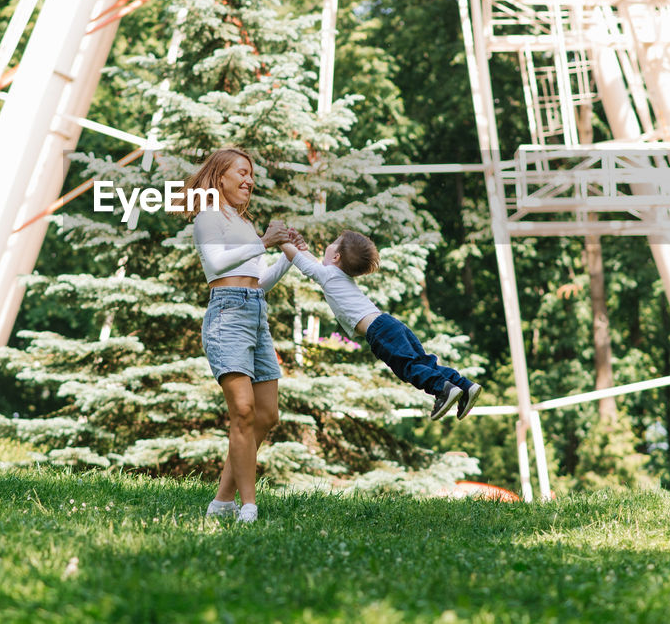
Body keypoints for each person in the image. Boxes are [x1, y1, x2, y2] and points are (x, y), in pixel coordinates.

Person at [184, 148, 293, 523]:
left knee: (266, 413)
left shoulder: (244, 225)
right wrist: (263, 241)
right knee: (242, 411)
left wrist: (286, 258)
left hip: (255, 310)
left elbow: (258, 280)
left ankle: (222, 501)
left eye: (251, 175)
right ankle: (248, 506)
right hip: (226, 313)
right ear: (220, 177)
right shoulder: (208, 217)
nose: (249, 180)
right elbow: (215, 264)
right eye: (241, 172)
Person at [281, 229, 482, 420]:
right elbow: (311, 262)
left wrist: (281, 240)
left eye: (333, 244)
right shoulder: (334, 275)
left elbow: (300, 261)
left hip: (380, 332)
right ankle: (464, 386)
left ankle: (442, 389)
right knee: (424, 362)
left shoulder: (329, 275)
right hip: (389, 325)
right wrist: (300, 248)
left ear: (336, 258)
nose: (329, 245)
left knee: (409, 368)